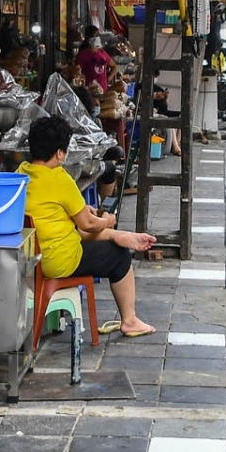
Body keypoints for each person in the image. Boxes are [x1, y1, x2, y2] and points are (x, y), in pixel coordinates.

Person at [21, 116, 158, 336]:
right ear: (59, 153)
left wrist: (88, 214)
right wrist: (107, 221)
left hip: (30, 258)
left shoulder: (22, 171)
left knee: (80, 232)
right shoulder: (59, 179)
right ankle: (130, 320)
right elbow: (89, 224)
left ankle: (119, 235)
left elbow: (61, 213)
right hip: (58, 261)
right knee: (119, 256)